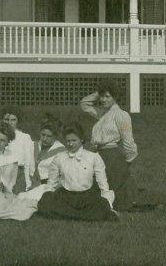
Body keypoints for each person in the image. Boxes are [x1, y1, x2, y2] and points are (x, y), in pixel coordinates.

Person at [37, 124, 116, 222]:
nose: (70, 144)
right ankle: (81, 216)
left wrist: (109, 205)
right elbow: (51, 184)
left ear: (81, 140)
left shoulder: (93, 157)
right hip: (65, 196)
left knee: (102, 204)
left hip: (86, 197)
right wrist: (47, 195)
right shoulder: (59, 157)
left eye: (74, 140)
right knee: (46, 199)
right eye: (68, 141)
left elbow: (103, 184)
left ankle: (67, 215)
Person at [80, 81, 138, 210]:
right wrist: (100, 92)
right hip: (97, 154)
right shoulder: (101, 113)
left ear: (115, 97)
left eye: (108, 96)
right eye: (102, 96)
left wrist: (126, 163)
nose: (103, 100)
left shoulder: (121, 115)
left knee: (113, 193)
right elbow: (84, 104)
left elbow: (129, 143)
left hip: (113, 157)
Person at [0, 106, 35, 192]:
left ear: (18, 121)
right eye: (6, 119)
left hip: (18, 176)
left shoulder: (24, 137)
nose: (10, 122)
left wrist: (28, 182)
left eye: (13, 120)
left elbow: (28, 163)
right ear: (2, 120)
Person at [34, 117, 66, 186]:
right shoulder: (33, 145)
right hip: (30, 183)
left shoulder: (61, 150)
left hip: (48, 185)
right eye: (43, 135)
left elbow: (63, 175)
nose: (44, 139)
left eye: (49, 136)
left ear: (55, 136)